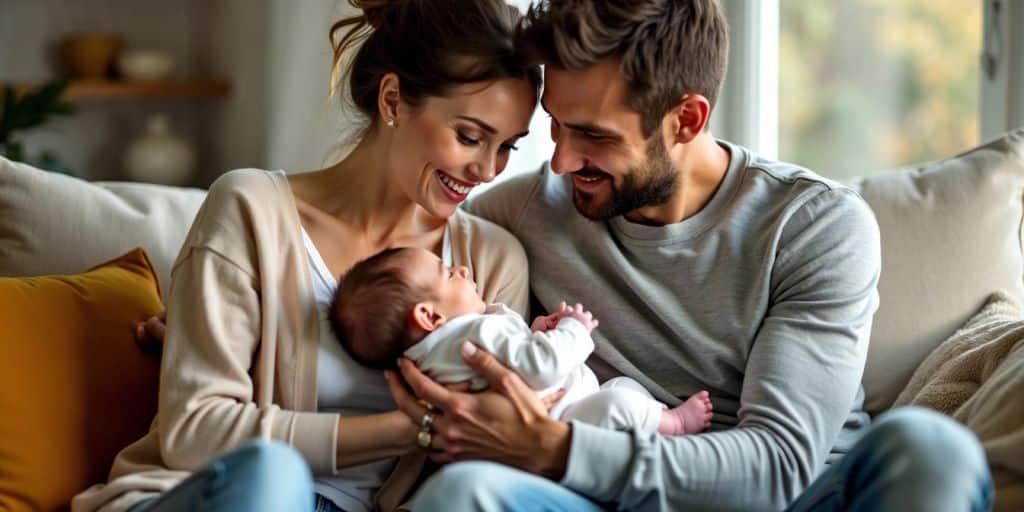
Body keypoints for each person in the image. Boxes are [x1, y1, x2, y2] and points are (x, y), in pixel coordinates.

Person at [387, 1, 995, 511]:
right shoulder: (527, 210)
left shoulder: (813, 225)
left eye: (595, 135)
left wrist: (556, 448)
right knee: (467, 493)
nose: (563, 161)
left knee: (932, 449)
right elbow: (394, 263)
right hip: (608, 497)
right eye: (557, 125)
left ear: (687, 118)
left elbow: (778, 464)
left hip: (799, 500)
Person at [71, 1, 540, 511]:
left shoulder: (490, 262)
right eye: (470, 137)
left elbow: (490, 448)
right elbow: (195, 431)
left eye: (509, 147)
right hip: (222, 496)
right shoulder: (250, 210)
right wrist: (413, 429)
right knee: (274, 476)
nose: (488, 170)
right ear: (393, 100)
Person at [330, 246, 714, 435]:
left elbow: (512, 364)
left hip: (556, 421)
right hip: (564, 425)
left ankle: (654, 428)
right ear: (430, 317)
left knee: (623, 389)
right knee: (618, 400)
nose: (462, 269)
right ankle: (676, 424)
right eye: (449, 273)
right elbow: (541, 368)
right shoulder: (473, 332)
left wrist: (535, 333)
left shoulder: (427, 364)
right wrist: (573, 331)